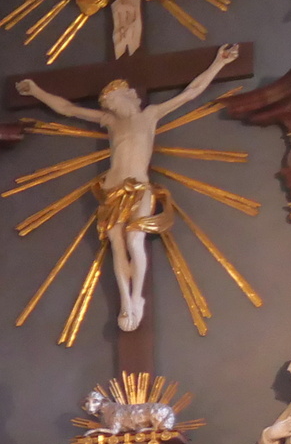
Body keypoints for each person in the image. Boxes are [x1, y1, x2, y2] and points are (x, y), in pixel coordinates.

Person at [16, 44, 239, 332]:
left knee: (134, 242)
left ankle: (137, 298)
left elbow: (191, 92)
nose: (108, 106)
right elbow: (67, 108)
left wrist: (218, 64)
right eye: (107, 103)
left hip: (138, 187)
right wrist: (35, 91)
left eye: (111, 100)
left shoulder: (151, 114)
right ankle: (125, 301)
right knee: (117, 245)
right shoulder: (109, 121)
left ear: (127, 96)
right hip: (112, 189)